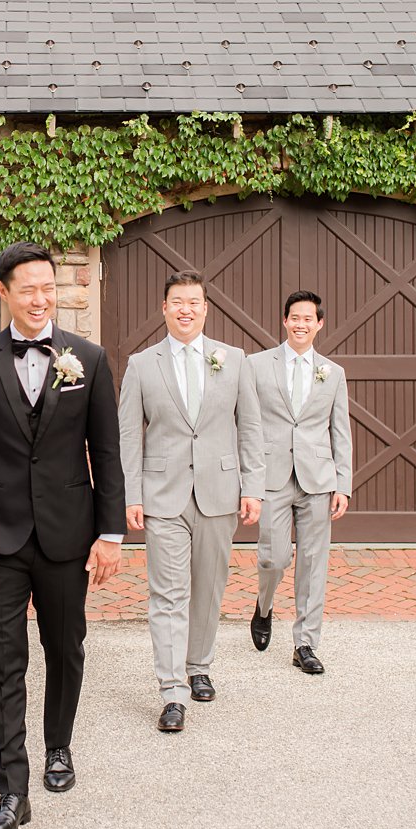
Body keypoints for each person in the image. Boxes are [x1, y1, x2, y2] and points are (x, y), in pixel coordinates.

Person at [0, 242, 124, 829]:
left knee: (65, 649)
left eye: (48, 287)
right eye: (28, 288)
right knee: (4, 663)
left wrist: (109, 532)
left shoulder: (89, 358)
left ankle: (59, 748)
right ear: (4, 292)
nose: (41, 297)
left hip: (68, 536)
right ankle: (10, 790)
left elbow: (106, 450)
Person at [117, 271, 262, 732]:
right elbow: (127, 436)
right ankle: (172, 690)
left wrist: (253, 486)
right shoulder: (142, 365)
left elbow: (251, 427)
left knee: (209, 586)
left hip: (220, 492)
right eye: (177, 301)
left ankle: (199, 666)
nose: (186, 309)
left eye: (194, 302)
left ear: (205, 309)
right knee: (168, 592)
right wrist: (132, 493)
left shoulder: (234, 359)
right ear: (164, 308)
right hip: (163, 496)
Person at [240, 290, 353, 675]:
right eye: (295, 317)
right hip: (271, 476)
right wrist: (247, 480)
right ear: (284, 321)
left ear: (319, 324)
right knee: (273, 558)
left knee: (312, 562)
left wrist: (343, 483)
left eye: (309, 318)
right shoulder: (255, 366)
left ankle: (305, 643)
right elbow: (247, 426)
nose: (301, 324)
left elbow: (341, 431)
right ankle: (264, 604)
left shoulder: (333, 373)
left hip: (318, 479)